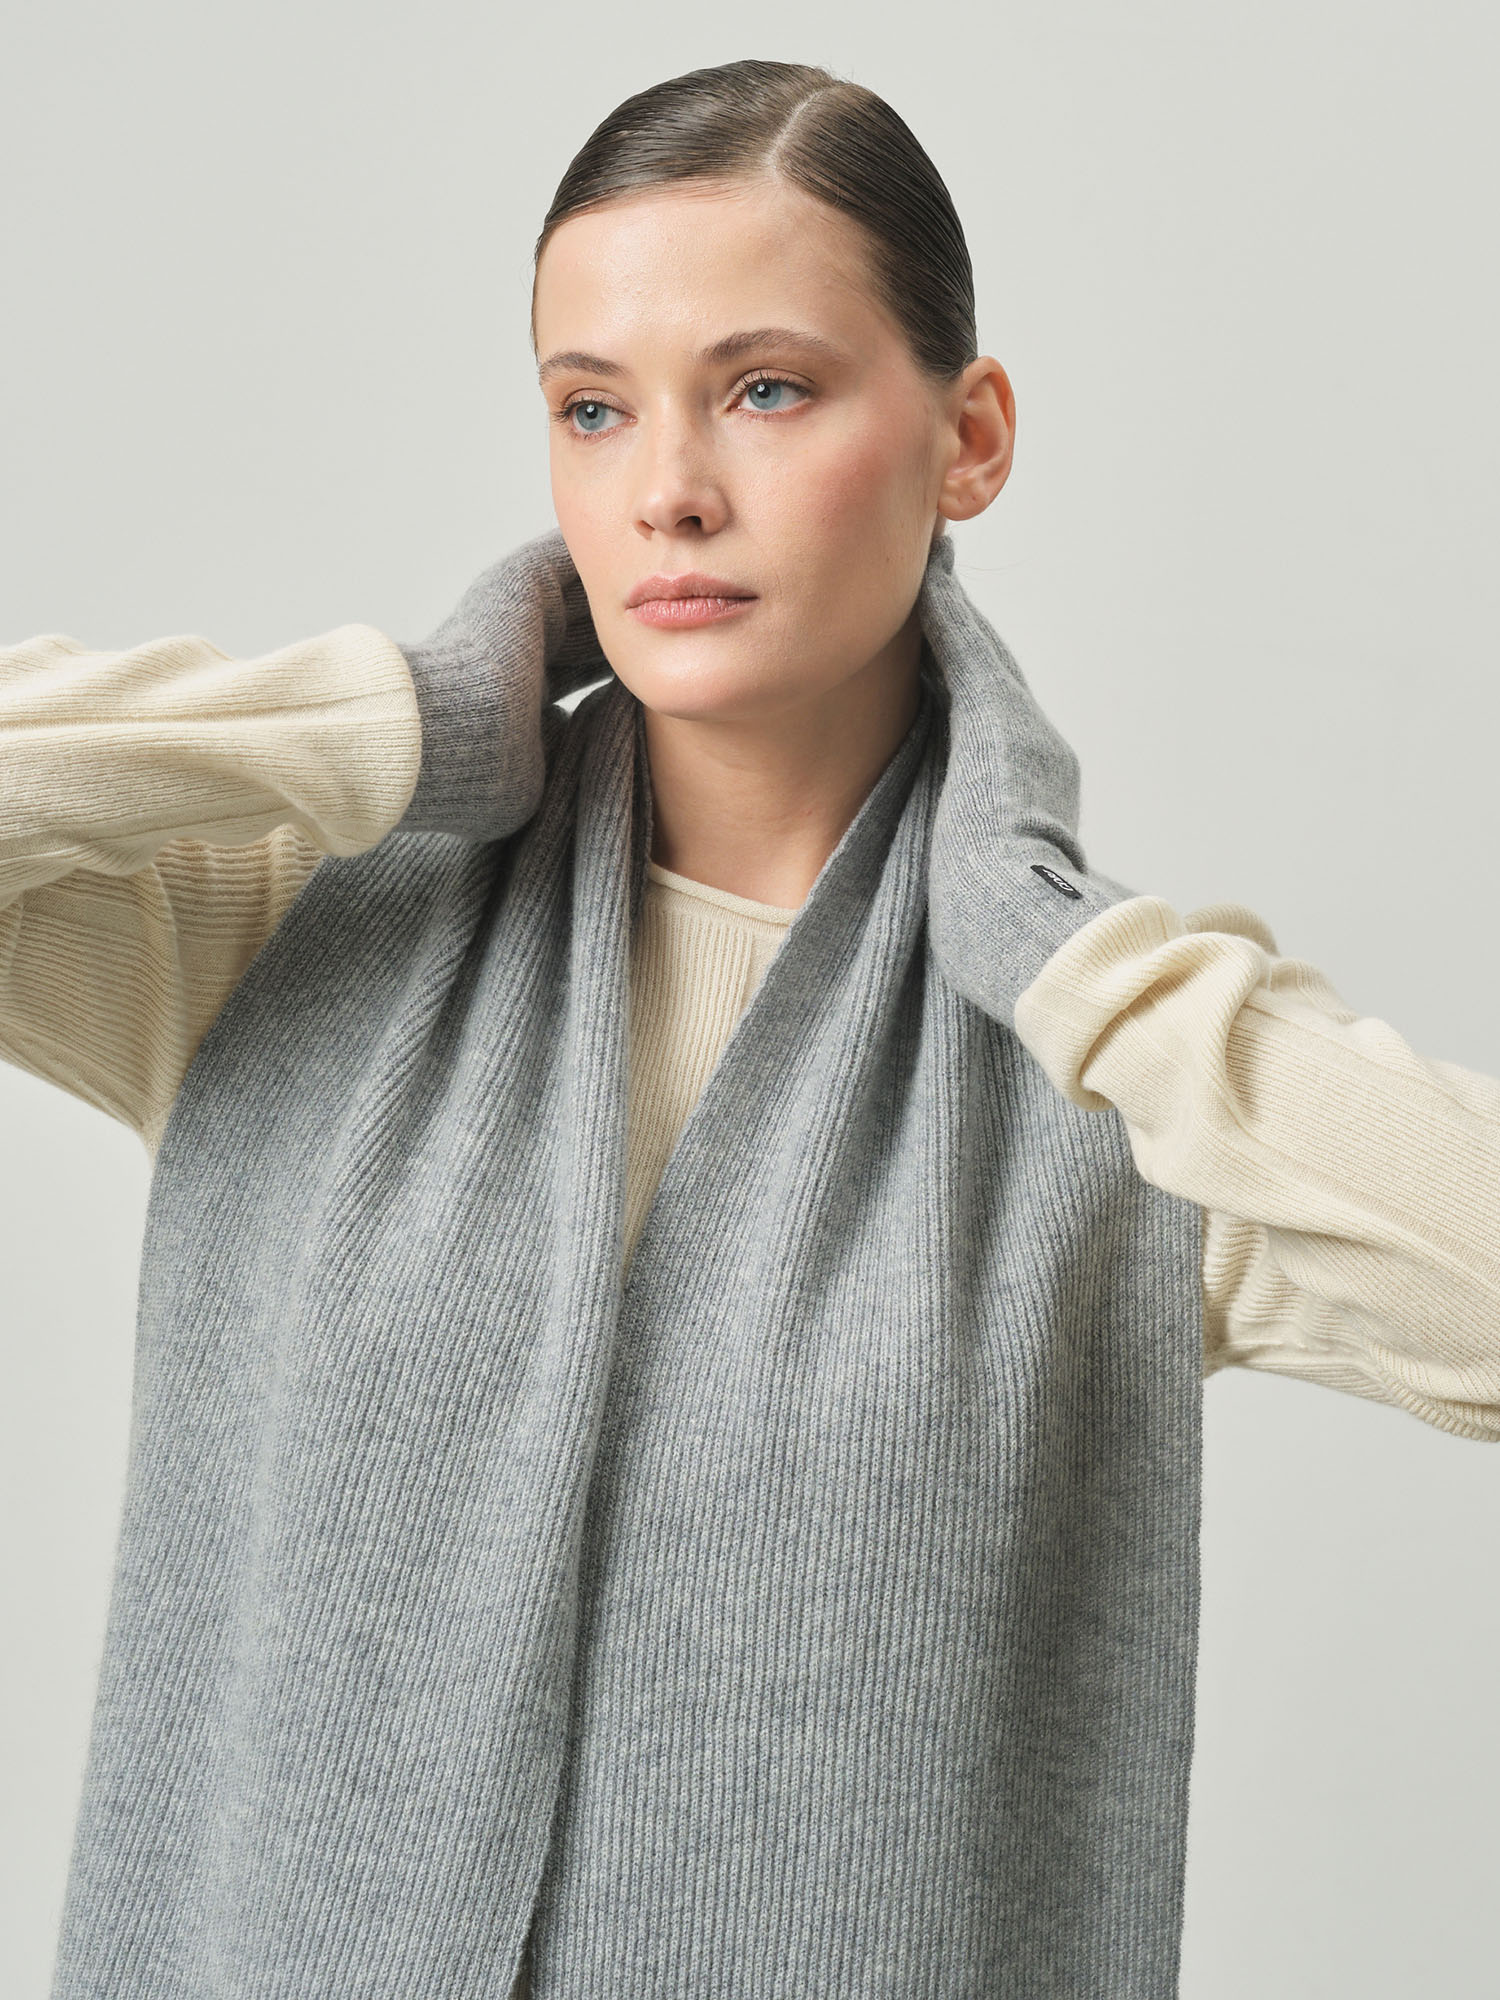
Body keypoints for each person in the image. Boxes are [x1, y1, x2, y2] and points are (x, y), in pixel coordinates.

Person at [4, 57, 1497, 2000]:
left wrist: (1054, 950)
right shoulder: (306, 935)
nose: (669, 489)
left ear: (969, 439)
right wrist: (405, 722)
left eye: (767, 388)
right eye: (593, 410)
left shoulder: (1097, 1075)